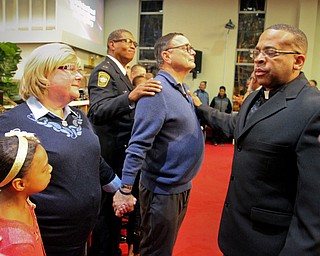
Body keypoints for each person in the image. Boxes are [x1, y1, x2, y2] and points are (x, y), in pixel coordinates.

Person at [191, 24, 320, 255]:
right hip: (236, 233)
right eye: (257, 52)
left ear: (298, 61)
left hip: (271, 243)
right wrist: (201, 108)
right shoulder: (255, 98)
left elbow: (314, 207)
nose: (259, 59)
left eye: (271, 52)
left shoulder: (312, 108)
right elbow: (236, 126)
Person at [0, 43, 121, 256]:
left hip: (81, 236)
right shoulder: (11, 122)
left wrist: (121, 189)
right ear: (43, 75)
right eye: (70, 69)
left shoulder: (78, 116)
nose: (79, 76)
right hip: (42, 241)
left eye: (78, 69)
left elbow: (93, 157)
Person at [113, 32, 205, 256]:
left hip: (181, 186)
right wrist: (125, 189)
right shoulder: (157, 91)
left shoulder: (181, 90)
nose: (192, 52)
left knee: (164, 248)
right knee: (155, 251)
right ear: (166, 55)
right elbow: (138, 144)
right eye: (185, 47)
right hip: (162, 191)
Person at [87, 29, 161, 256]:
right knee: (106, 214)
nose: (132, 46)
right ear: (111, 44)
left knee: (116, 213)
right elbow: (97, 111)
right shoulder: (104, 72)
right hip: (110, 155)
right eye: (127, 41)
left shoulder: (120, 74)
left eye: (134, 43)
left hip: (121, 152)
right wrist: (130, 97)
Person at [0, 131, 52, 256]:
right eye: (44, 169)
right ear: (20, 184)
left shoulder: (23, 201)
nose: (50, 168)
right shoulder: (17, 246)